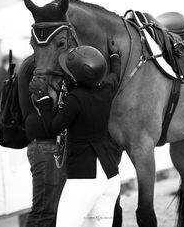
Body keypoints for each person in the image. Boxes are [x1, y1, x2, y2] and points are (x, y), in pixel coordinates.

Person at [29, 40, 122, 227]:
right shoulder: (106, 89)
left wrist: (44, 99)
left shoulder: (75, 99)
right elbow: (115, 75)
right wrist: (115, 56)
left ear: (75, 78)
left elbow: (52, 128)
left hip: (84, 179)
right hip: (110, 176)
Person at [18, 55, 67, 227]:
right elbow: (47, 108)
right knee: (45, 214)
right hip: (46, 145)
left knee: (50, 212)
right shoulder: (40, 65)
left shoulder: (31, 63)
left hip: (44, 144)